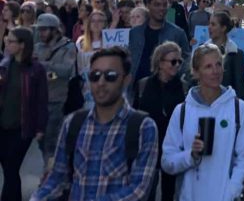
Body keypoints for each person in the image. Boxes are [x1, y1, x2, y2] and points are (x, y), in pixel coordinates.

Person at [31, 47, 159, 201]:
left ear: (126, 80)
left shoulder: (143, 127)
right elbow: (57, 178)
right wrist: (38, 197)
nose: (101, 82)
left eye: (110, 76)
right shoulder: (72, 123)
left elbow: (138, 190)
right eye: (95, 76)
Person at [161, 44, 244, 201]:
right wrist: (191, 155)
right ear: (196, 72)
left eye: (218, 64)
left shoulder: (238, 107)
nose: (215, 71)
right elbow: (167, 161)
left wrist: (230, 193)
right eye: (208, 66)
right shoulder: (182, 111)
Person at [0, 28, 48, 201]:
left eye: (11, 41)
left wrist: (40, 127)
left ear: (22, 45)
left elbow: (42, 100)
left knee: (11, 167)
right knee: (8, 169)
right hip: (2, 126)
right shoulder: (4, 65)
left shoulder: (36, 70)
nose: (7, 43)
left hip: (22, 128)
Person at [134, 42, 186, 201]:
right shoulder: (144, 85)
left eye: (179, 61)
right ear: (160, 62)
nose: (176, 65)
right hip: (149, 144)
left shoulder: (183, 88)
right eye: (172, 61)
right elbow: (136, 114)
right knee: (147, 189)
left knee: (169, 192)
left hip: (172, 144)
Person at [34, 13, 77, 166]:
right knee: (41, 140)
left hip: (57, 100)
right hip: (39, 100)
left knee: (51, 141)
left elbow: (66, 70)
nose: (41, 33)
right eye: (40, 30)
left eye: (45, 30)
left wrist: (45, 67)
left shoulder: (68, 46)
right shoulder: (38, 47)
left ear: (54, 30)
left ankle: (51, 175)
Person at [128, 0, 190, 87]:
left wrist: (175, 75)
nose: (161, 8)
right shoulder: (135, 33)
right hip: (137, 91)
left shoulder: (178, 33)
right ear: (148, 5)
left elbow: (187, 60)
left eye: (164, 5)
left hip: (167, 91)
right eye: (157, 5)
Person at [207, 11, 244, 97]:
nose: (209, 27)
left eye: (213, 24)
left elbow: (239, 86)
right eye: (209, 24)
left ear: (223, 28)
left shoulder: (236, 53)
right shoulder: (202, 50)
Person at [76, 10, 109, 109]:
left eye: (100, 21)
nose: (96, 24)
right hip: (87, 86)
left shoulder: (110, 41)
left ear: (105, 24)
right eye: (93, 21)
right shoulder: (80, 42)